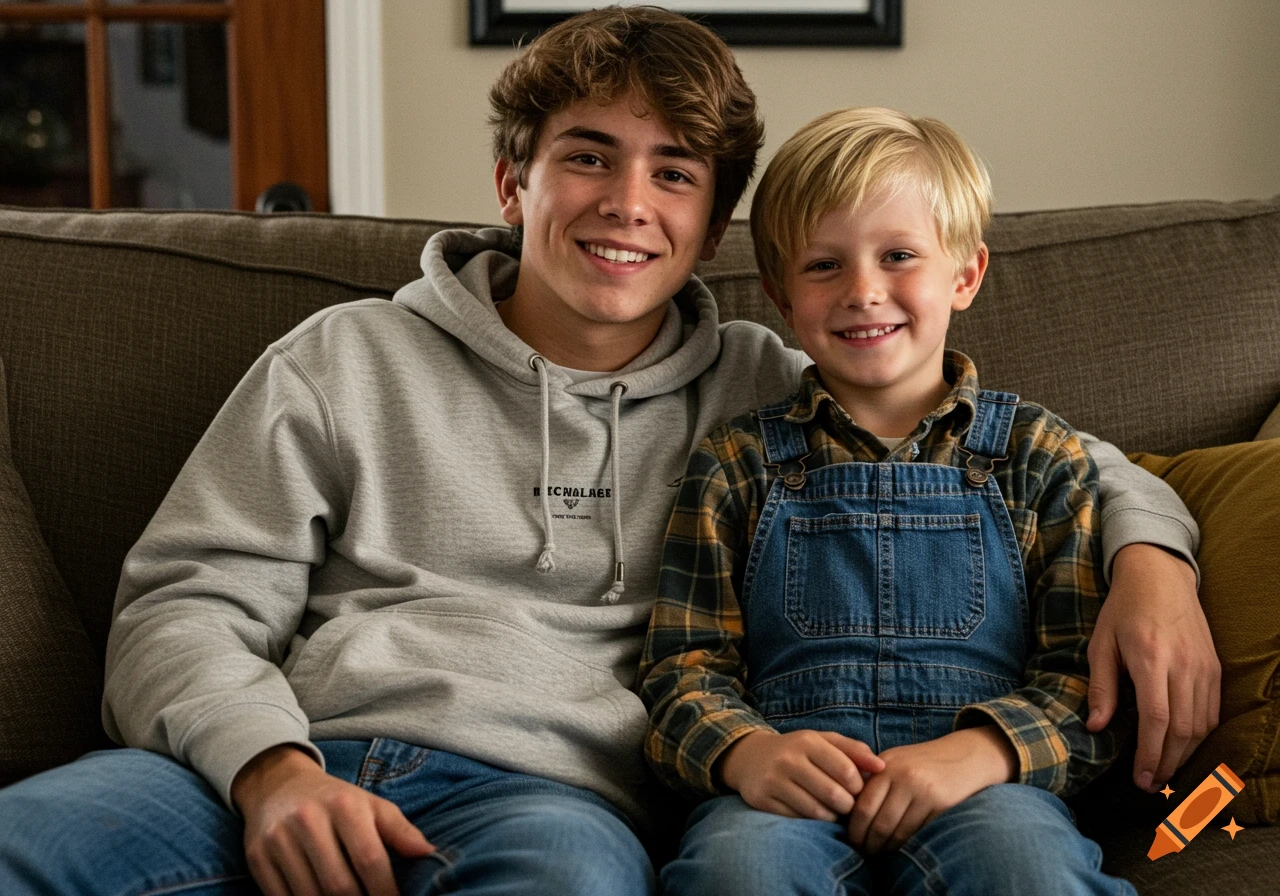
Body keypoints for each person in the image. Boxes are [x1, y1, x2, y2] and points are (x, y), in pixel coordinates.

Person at [0, 8, 1212, 896]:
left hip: (545, 803)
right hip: (284, 753)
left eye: (671, 173)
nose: (627, 201)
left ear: (709, 225)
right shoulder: (344, 355)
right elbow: (183, 603)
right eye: (587, 154)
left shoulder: (761, 384)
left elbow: (1012, 445)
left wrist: (1154, 564)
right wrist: (268, 770)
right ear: (512, 176)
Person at [640, 106, 1146, 895]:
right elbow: (681, 668)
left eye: (899, 255)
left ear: (966, 274)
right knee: (738, 870)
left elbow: (1084, 679)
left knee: (1027, 869)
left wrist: (984, 752)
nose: (863, 290)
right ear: (779, 294)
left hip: (983, 786)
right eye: (823, 266)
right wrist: (746, 752)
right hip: (787, 790)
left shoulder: (1037, 456)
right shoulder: (736, 463)